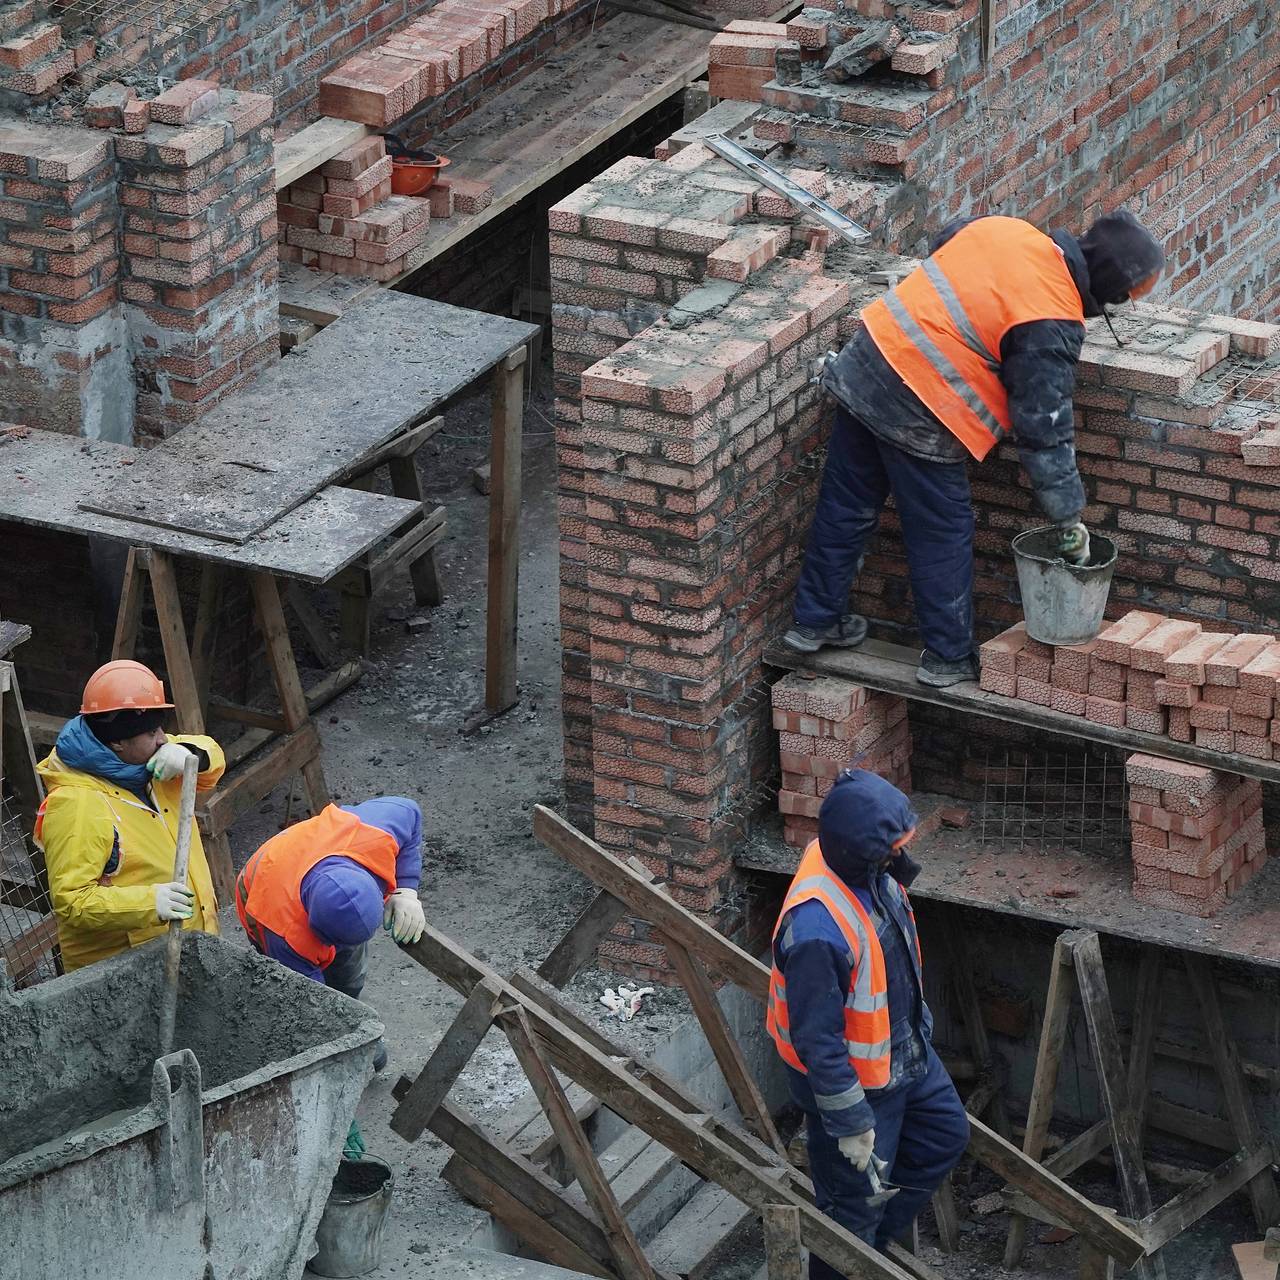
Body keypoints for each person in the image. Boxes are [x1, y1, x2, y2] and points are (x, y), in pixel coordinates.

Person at [785, 209, 1166, 686]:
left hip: (867, 361)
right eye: (1121, 299)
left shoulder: (1008, 231)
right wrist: (1068, 517)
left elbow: (948, 240)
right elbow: (1044, 427)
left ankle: (813, 622)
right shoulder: (1051, 316)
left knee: (846, 505)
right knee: (941, 531)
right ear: (1107, 287)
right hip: (924, 407)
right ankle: (947, 658)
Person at [767, 769, 968, 1266]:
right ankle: (856, 1255)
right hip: (859, 1088)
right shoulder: (817, 928)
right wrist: (851, 1123)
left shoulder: (864, 871)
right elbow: (818, 1041)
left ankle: (873, 1249)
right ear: (862, 851)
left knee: (946, 1135)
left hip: (905, 1057)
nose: (901, 855)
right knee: (848, 1221)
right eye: (892, 847)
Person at [36, 659, 225, 972]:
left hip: (182, 950)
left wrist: (193, 754)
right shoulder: (77, 806)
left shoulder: (147, 759)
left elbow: (211, 761)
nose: (164, 739)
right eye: (153, 733)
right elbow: (73, 903)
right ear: (117, 742)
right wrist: (150, 903)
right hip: (126, 976)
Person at [235, 796, 426, 1075]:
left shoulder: (373, 830)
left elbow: (412, 811)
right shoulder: (284, 934)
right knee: (298, 1000)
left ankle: (350, 1007)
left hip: (305, 856)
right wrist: (345, 1039)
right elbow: (313, 1000)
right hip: (261, 889)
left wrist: (406, 889)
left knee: (349, 971)